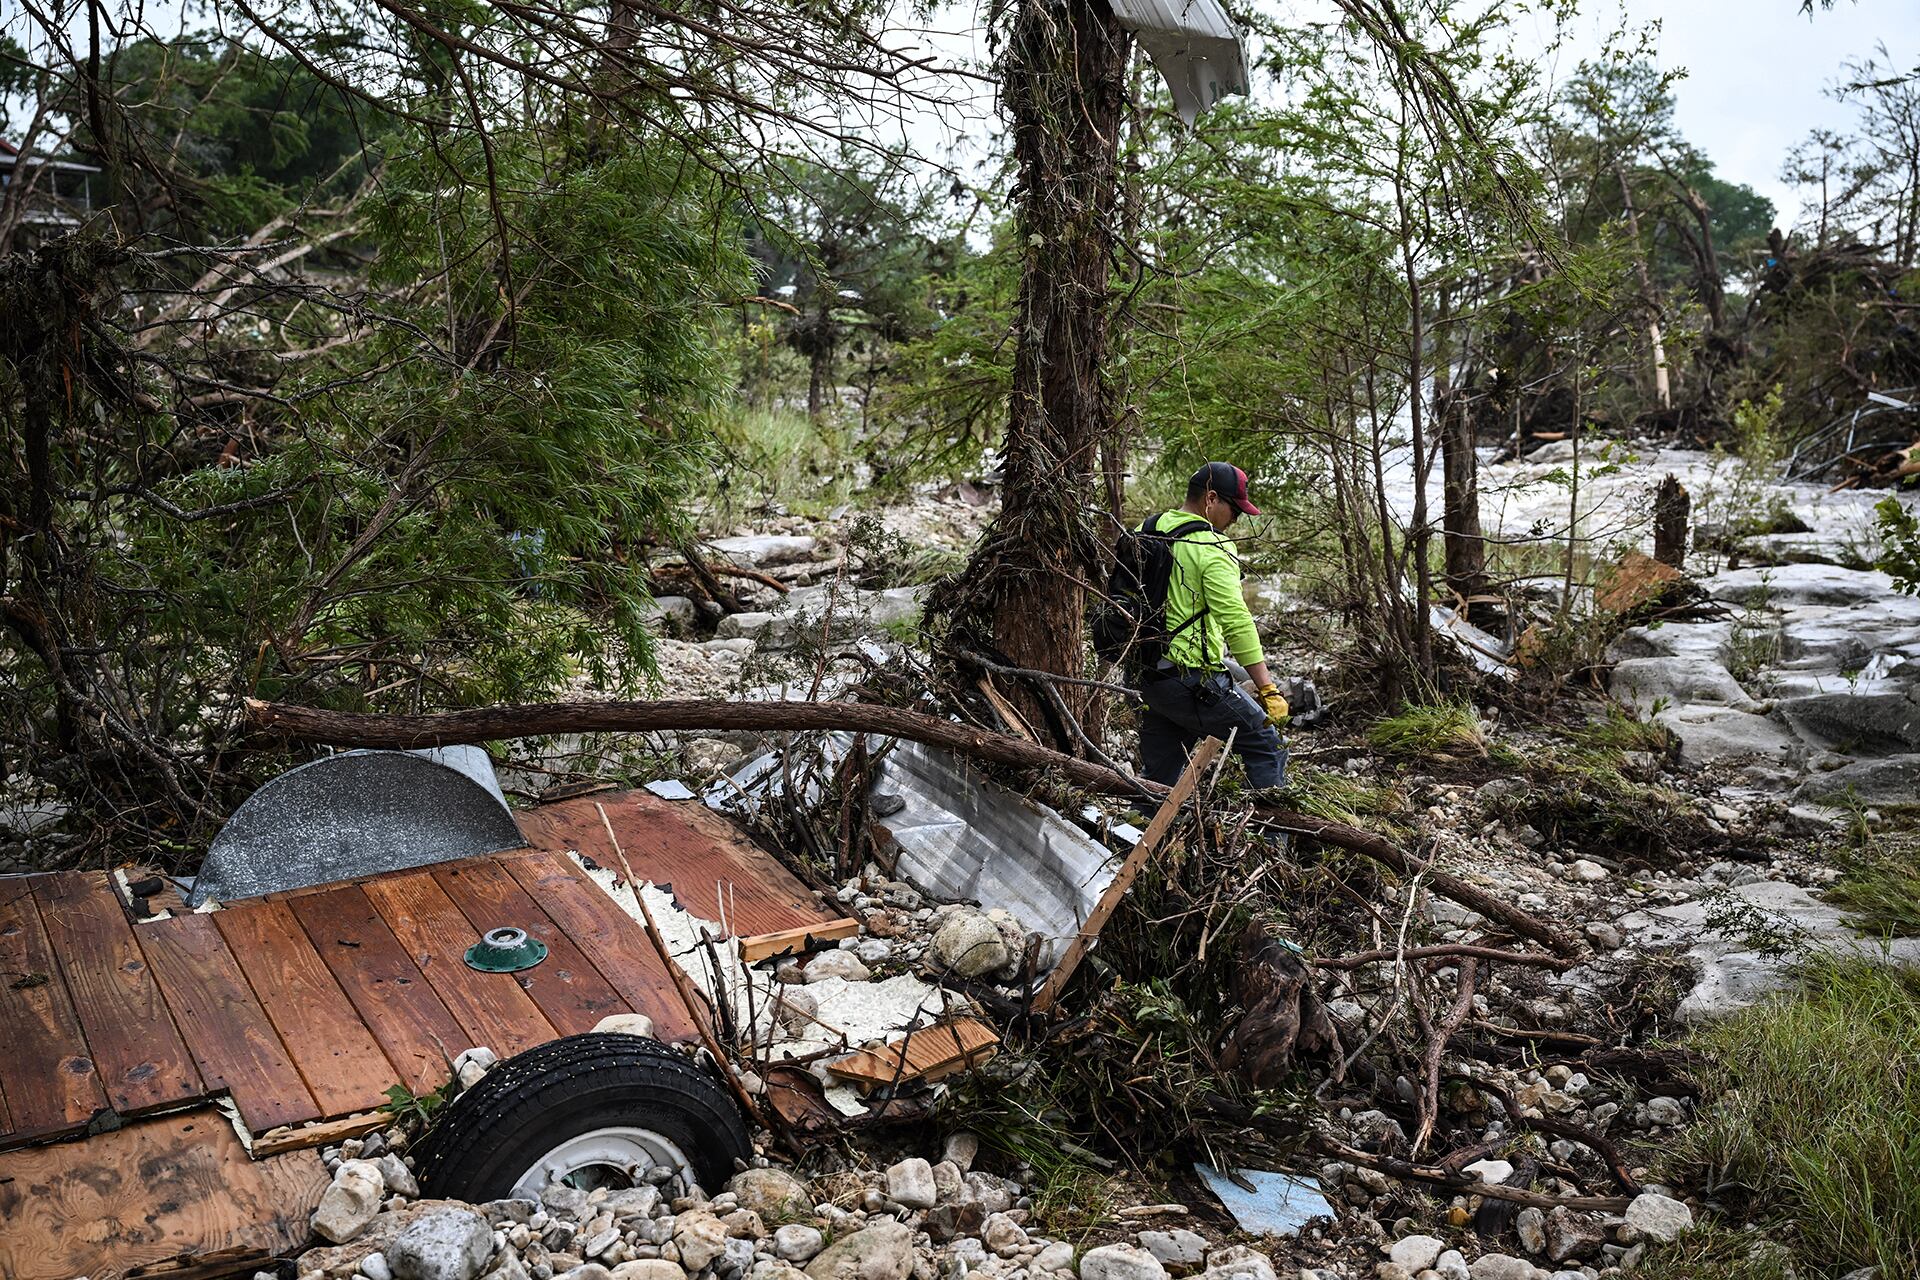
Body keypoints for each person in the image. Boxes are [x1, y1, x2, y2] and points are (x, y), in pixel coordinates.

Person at [1136, 461, 1289, 789]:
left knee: (1157, 779)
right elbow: (1236, 621)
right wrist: (1267, 688)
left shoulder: (1148, 528)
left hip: (1149, 676)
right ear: (1211, 498)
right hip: (1192, 680)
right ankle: (1270, 841)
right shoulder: (1212, 546)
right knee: (1268, 747)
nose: (1236, 519)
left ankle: (1130, 836)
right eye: (1235, 510)